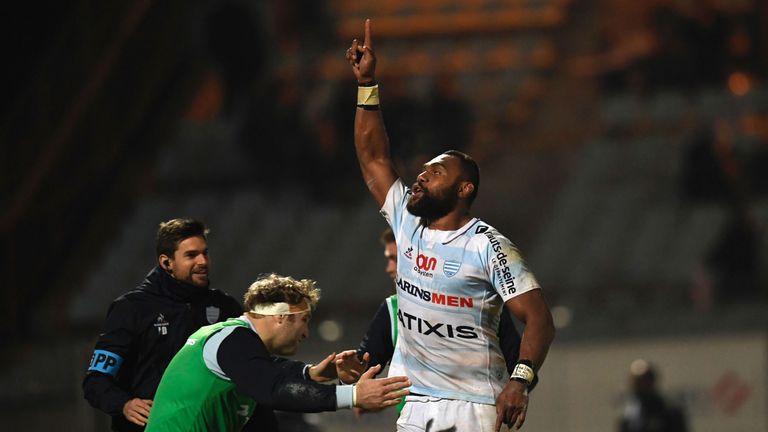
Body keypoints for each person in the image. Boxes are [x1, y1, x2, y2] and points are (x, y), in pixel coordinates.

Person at [344, 19, 556, 431]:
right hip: (417, 403)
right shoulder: (406, 220)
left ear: (464, 188)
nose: (421, 175)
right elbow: (373, 158)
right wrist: (367, 83)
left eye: (435, 172)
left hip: (473, 404)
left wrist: (521, 380)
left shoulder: (488, 245)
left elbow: (539, 318)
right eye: (422, 170)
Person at [144, 273, 411, 432]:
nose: (306, 333)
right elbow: (273, 389)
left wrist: (314, 374)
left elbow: (271, 371)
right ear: (282, 317)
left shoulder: (234, 341)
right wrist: (353, 395)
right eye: (304, 320)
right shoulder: (233, 339)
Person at [83, 218, 244, 431]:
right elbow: (96, 381)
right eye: (191, 255)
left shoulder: (224, 307)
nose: (203, 261)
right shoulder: (132, 308)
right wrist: (124, 404)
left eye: (205, 253)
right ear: (166, 263)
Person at [353, 228, 531, 411]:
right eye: (389, 259)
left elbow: (519, 363)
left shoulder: (483, 305)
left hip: (475, 419)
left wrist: (518, 386)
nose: (389, 268)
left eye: (396, 259)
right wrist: (353, 385)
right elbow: (361, 370)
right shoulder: (392, 309)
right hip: (416, 422)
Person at [618, 359, 689, 432]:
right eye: (635, 383)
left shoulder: (669, 411)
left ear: (651, 382)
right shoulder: (630, 415)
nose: (637, 387)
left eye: (641, 382)